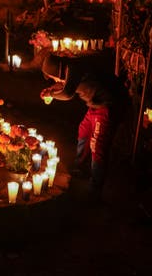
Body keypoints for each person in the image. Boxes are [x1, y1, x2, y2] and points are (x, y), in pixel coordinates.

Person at [39, 54, 130, 201]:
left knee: (98, 145)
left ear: (58, 70)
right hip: (95, 105)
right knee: (84, 130)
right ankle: (80, 166)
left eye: (53, 77)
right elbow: (65, 85)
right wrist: (51, 89)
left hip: (107, 105)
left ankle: (95, 189)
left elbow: (68, 93)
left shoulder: (74, 69)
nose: (54, 80)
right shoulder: (69, 70)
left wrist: (51, 93)